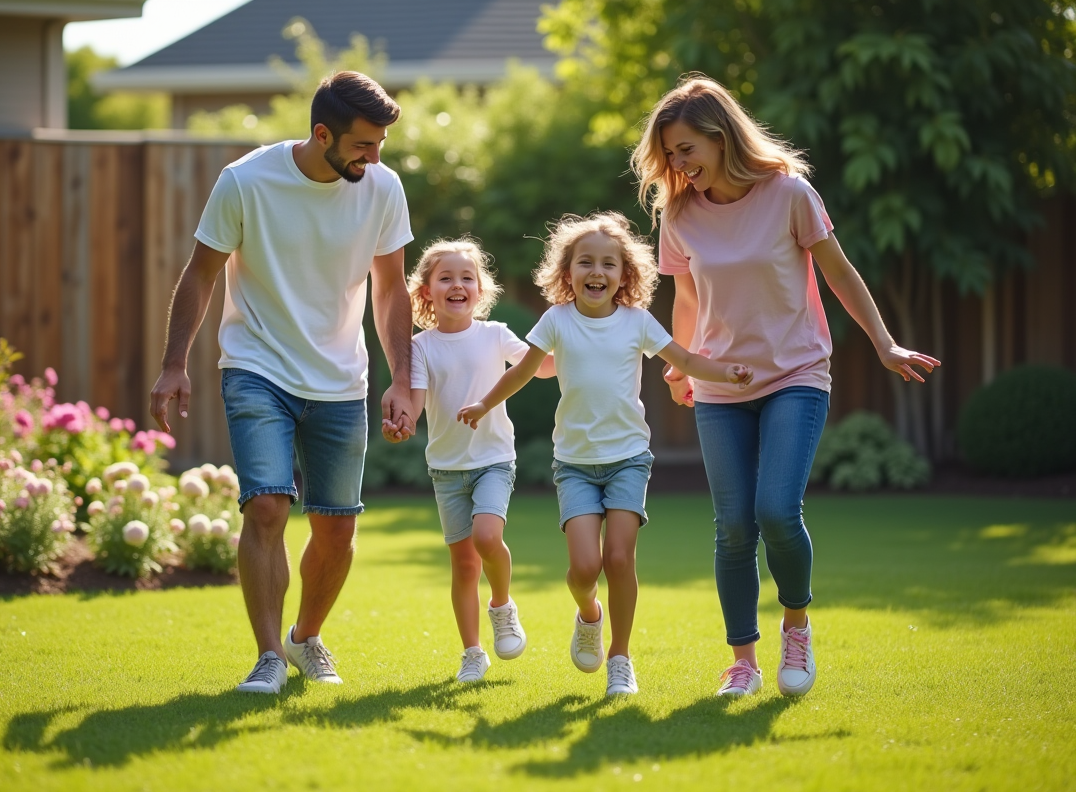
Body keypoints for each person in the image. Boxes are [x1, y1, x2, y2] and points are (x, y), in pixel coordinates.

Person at [631, 76, 940, 697]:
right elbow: (687, 296)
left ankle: (796, 626)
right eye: (668, 154)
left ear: (721, 138)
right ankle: (742, 662)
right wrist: (682, 364)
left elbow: (838, 272)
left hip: (795, 372)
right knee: (733, 527)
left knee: (775, 510)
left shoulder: (789, 194)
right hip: (721, 383)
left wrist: (884, 343)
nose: (677, 164)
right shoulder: (679, 213)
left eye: (686, 149)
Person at [148, 71, 416, 695]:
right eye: (362, 146)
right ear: (322, 133)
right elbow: (201, 273)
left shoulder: (382, 187)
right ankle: (268, 655)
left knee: (337, 528)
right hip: (257, 365)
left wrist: (403, 379)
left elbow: (391, 288)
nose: (374, 158)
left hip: (341, 378)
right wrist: (173, 363)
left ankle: (305, 638)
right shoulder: (246, 181)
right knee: (266, 504)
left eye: (380, 146)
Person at [458, 212, 751, 696]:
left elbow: (686, 360)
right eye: (585, 263)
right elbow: (524, 371)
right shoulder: (556, 320)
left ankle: (621, 657)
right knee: (584, 570)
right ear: (567, 272)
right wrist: (485, 401)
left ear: (624, 274)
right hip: (573, 464)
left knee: (618, 557)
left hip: (628, 458)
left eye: (608, 264)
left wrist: (726, 372)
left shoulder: (637, 322)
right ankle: (588, 614)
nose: (597, 272)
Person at [391, 238, 555, 682]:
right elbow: (417, 400)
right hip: (446, 468)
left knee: (487, 537)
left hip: (493, 459)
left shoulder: (495, 334)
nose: (457, 284)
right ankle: (472, 652)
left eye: (467, 277)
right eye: (446, 278)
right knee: (463, 565)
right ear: (426, 291)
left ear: (480, 290)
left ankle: (501, 604)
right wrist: (402, 421)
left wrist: (577, 341)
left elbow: (541, 366)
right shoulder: (420, 346)